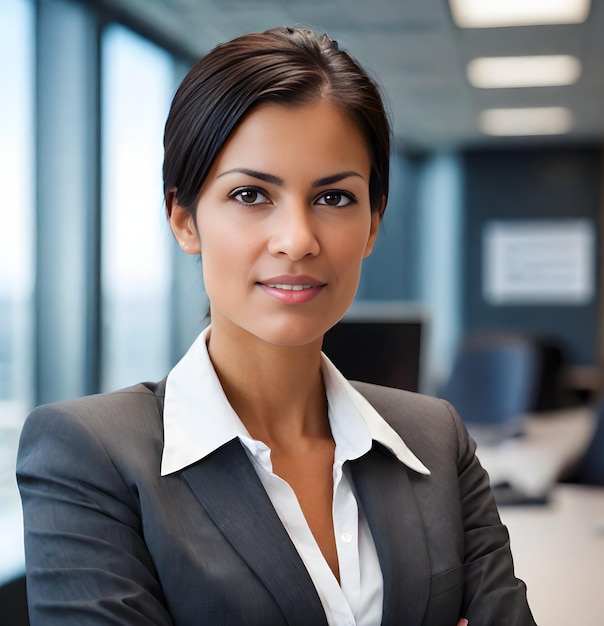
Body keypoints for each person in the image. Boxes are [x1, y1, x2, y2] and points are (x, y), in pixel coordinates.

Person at [17, 26, 536, 626]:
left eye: (335, 198)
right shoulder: (90, 454)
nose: (297, 240)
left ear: (372, 224)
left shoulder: (433, 438)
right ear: (185, 220)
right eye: (250, 194)